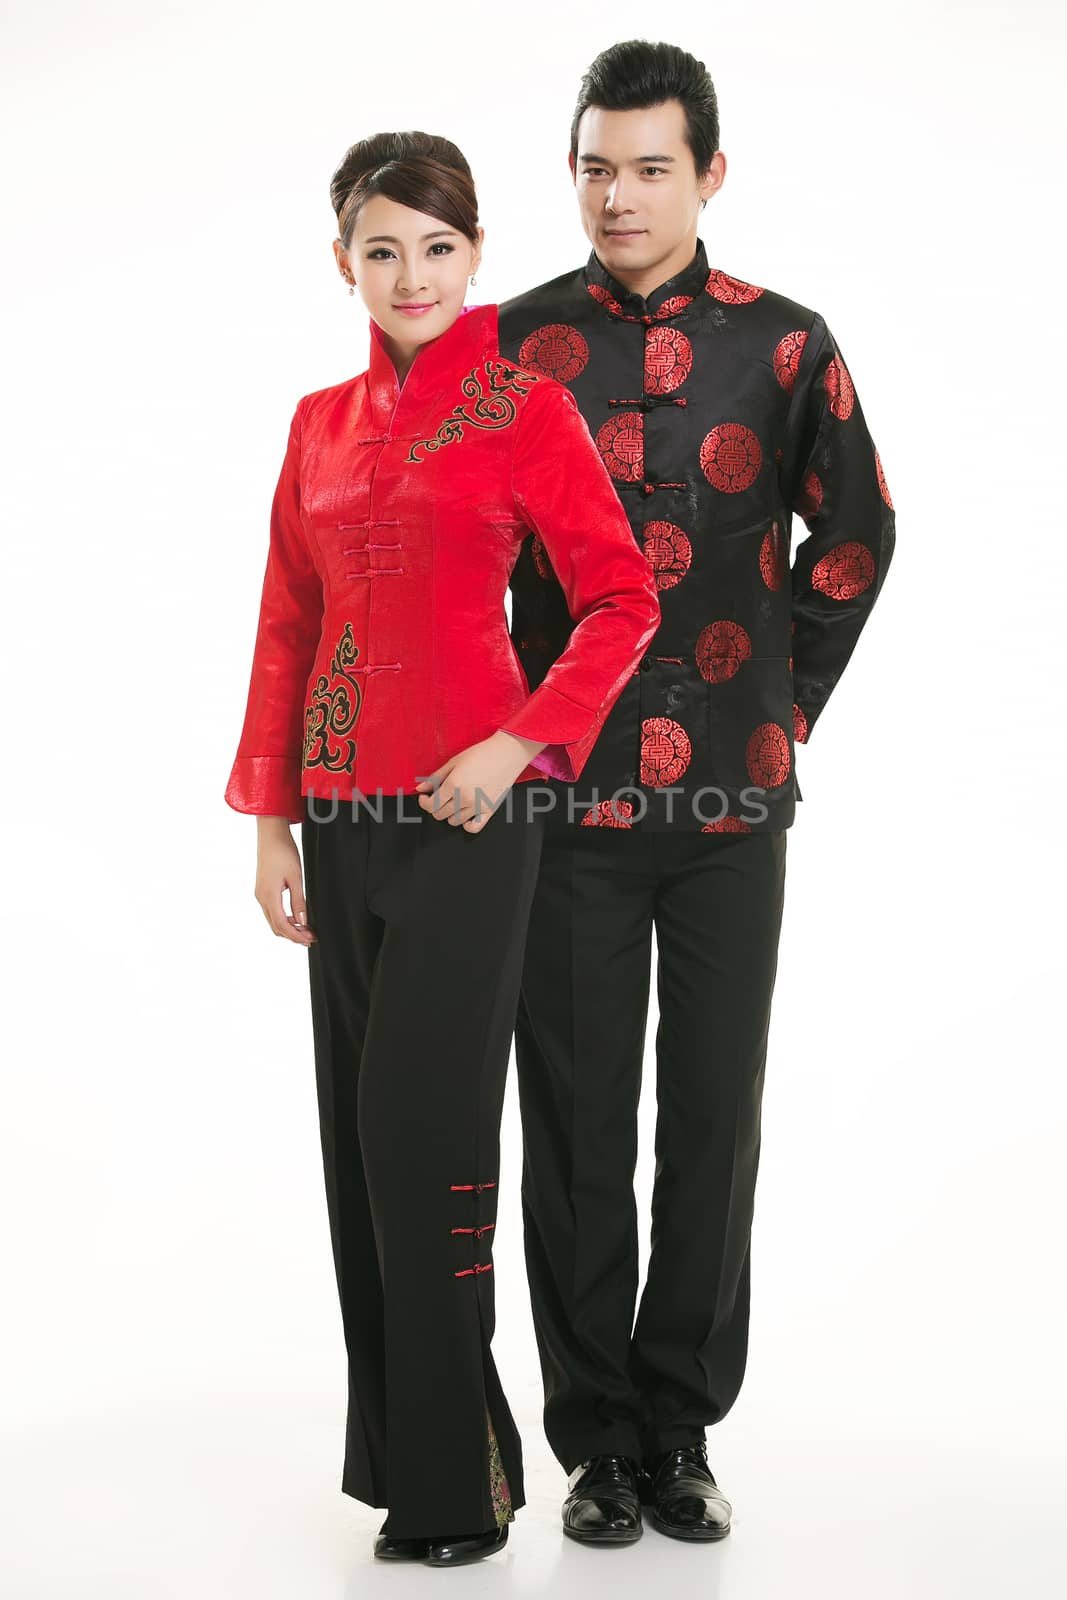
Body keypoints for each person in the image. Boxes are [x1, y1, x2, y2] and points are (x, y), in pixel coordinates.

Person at [223, 129, 661, 1567]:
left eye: (439, 245)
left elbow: (618, 603)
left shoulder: (525, 409)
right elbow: (291, 625)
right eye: (382, 247)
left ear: (475, 255)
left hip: (476, 815)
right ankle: (417, 1459)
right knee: (363, 1147)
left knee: (425, 1136)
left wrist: (521, 744)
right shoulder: (315, 426)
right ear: (342, 260)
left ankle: (458, 1482)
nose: (411, 273)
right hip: (340, 820)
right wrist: (276, 820)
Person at [496, 41, 896, 1544]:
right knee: (581, 1122)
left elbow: (853, 536)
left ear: (709, 174)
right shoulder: (508, 346)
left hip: (736, 808)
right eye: (596, 165)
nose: (620, 193)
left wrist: (777, 706)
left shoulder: (786, 346)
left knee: (714, 1121)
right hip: (568, 807)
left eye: (651, 165)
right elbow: (462, 564)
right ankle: (598, 1441)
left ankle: (681, 1432)